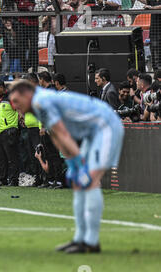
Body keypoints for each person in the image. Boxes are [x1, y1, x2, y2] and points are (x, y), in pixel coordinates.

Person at [9, 80, 124, 253]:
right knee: (79, 183)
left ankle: (92, 242)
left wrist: (78, 162)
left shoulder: (42, 102)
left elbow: (62, 133)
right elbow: (56, 135)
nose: (14, 106)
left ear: (27, 95)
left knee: (90, 180)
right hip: (91, 132)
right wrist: (72, 164)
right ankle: (80, 239)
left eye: (16, 101)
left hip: (105, 126)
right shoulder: (39, 104)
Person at [0, 79, 19, 186]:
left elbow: (19, 109)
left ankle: (14, 180)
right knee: (1, 159)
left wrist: (21, 119)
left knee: (12, 158)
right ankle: (2, 179)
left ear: (2, 87)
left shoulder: (11, 98)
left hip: (10, 130)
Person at [140, 0, 161, 71]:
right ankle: (155, 68)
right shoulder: (152, 1)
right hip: (154, 28)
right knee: (153, 48)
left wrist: (152, 8)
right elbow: (146, 2)